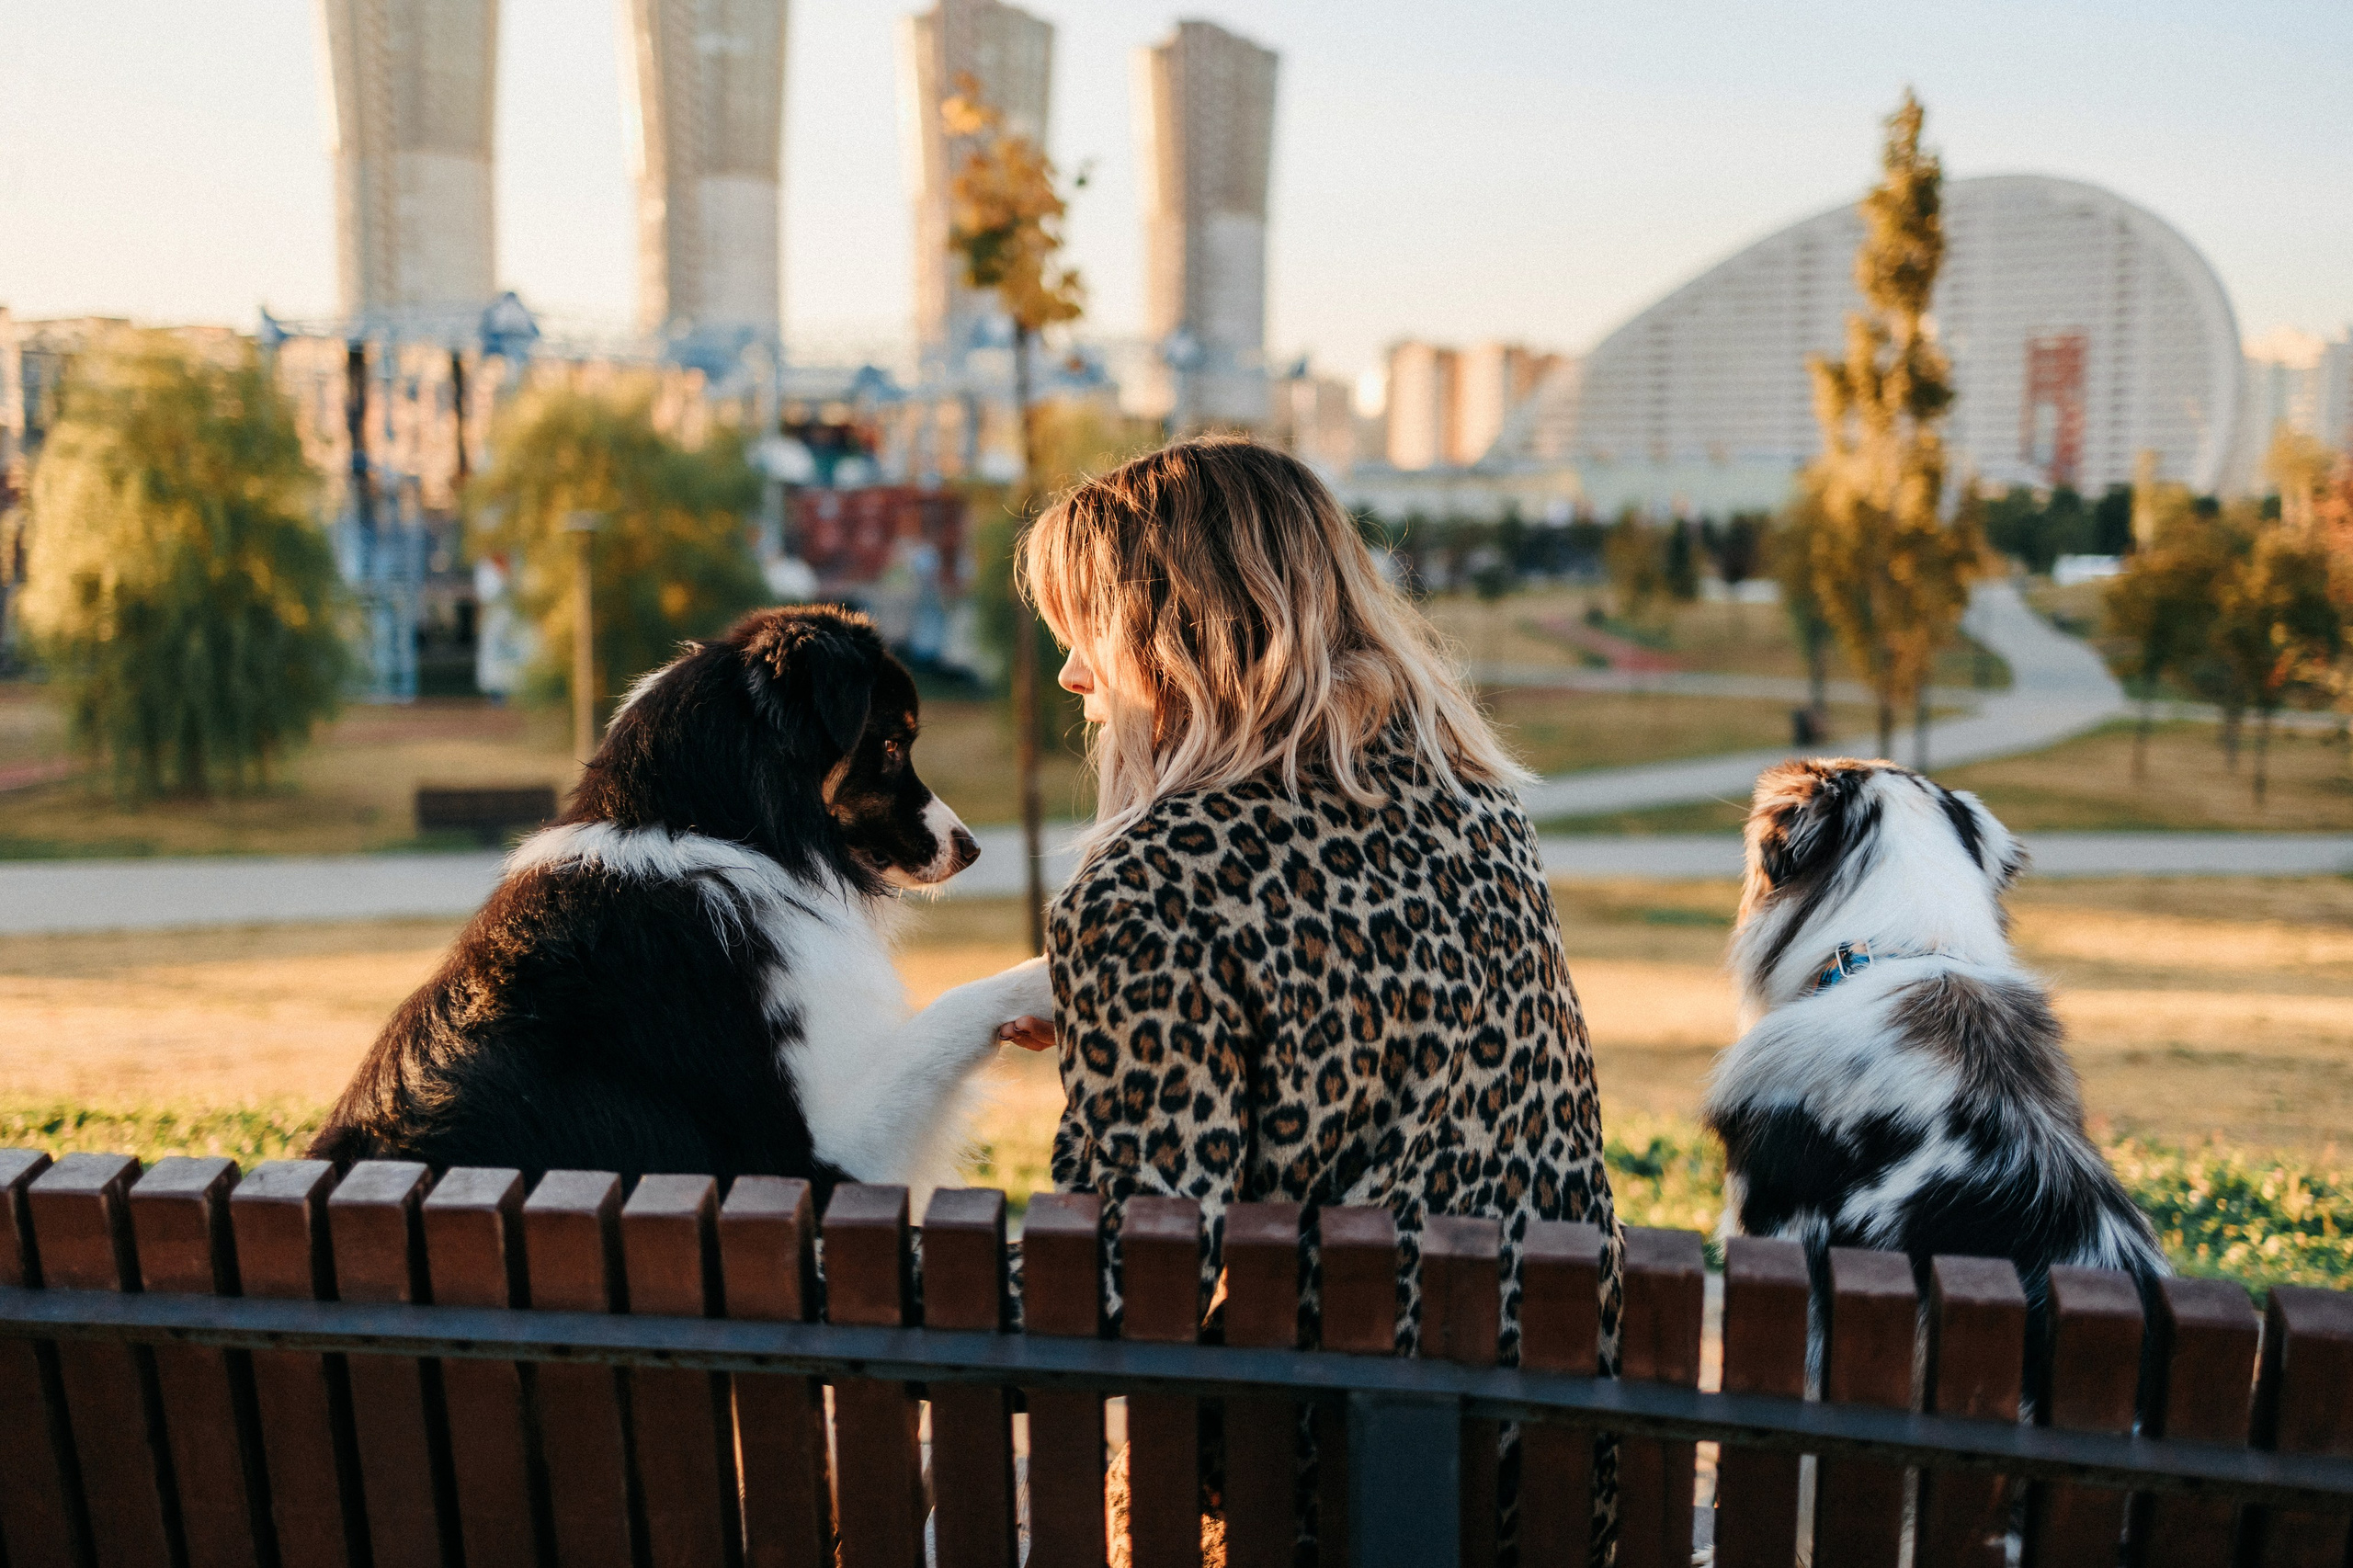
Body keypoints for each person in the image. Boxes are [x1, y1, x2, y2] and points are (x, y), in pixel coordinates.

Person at [1001, 436, 1621, 1550]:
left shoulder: (1151, 884)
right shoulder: (1480, 810)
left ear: (1174, 638)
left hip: (1312, 1488)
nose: (1071, 677)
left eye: (1084, 635)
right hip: (1556, 1469)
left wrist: (843, 1294)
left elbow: (1137, 1273)